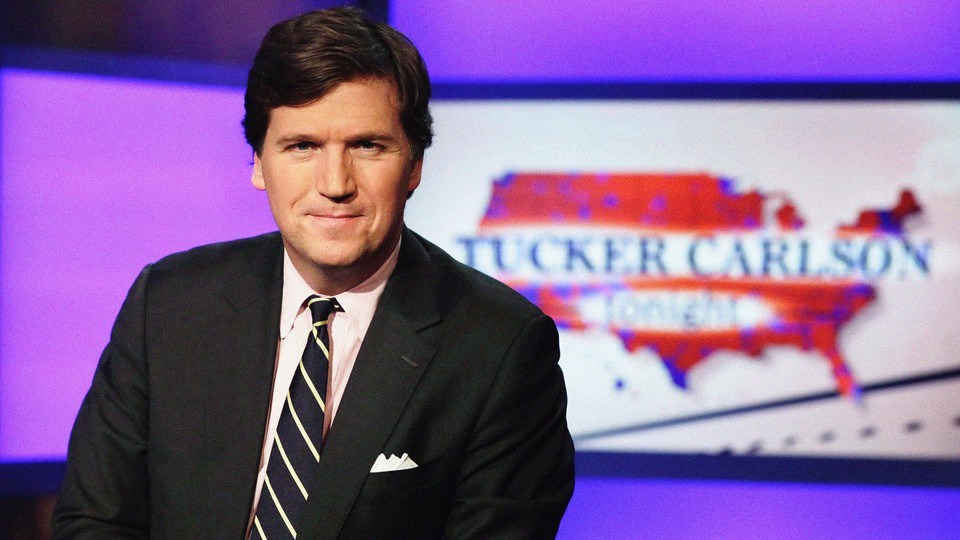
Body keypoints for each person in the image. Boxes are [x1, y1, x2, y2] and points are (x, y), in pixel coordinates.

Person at [52, 7, 575, 539]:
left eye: (367, 146)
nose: (334, 183)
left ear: (414, 165)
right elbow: (95, 523)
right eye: (302, 146)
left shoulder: (502, 349)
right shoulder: (166, 305)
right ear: (258, 162)